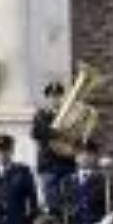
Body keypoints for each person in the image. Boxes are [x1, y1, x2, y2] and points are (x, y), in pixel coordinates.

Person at [31, 80, 77, 210]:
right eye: (52, 96)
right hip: (48, 164)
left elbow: (77, 135)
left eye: (57, 96)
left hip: (67, 163)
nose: (55, 99)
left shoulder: (70, 115)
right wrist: (59, 132)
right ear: (47, 98)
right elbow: (37, 133)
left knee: (69, 202)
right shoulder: (41, 115)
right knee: (52, 202)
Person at [58, 138, 108, 224]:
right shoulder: (66, 181)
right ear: (75, 158)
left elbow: (107, 207)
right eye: (81, 154)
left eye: (89, 154)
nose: (85, 157)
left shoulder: (103, 180)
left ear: (95, 157)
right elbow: (64, 208)